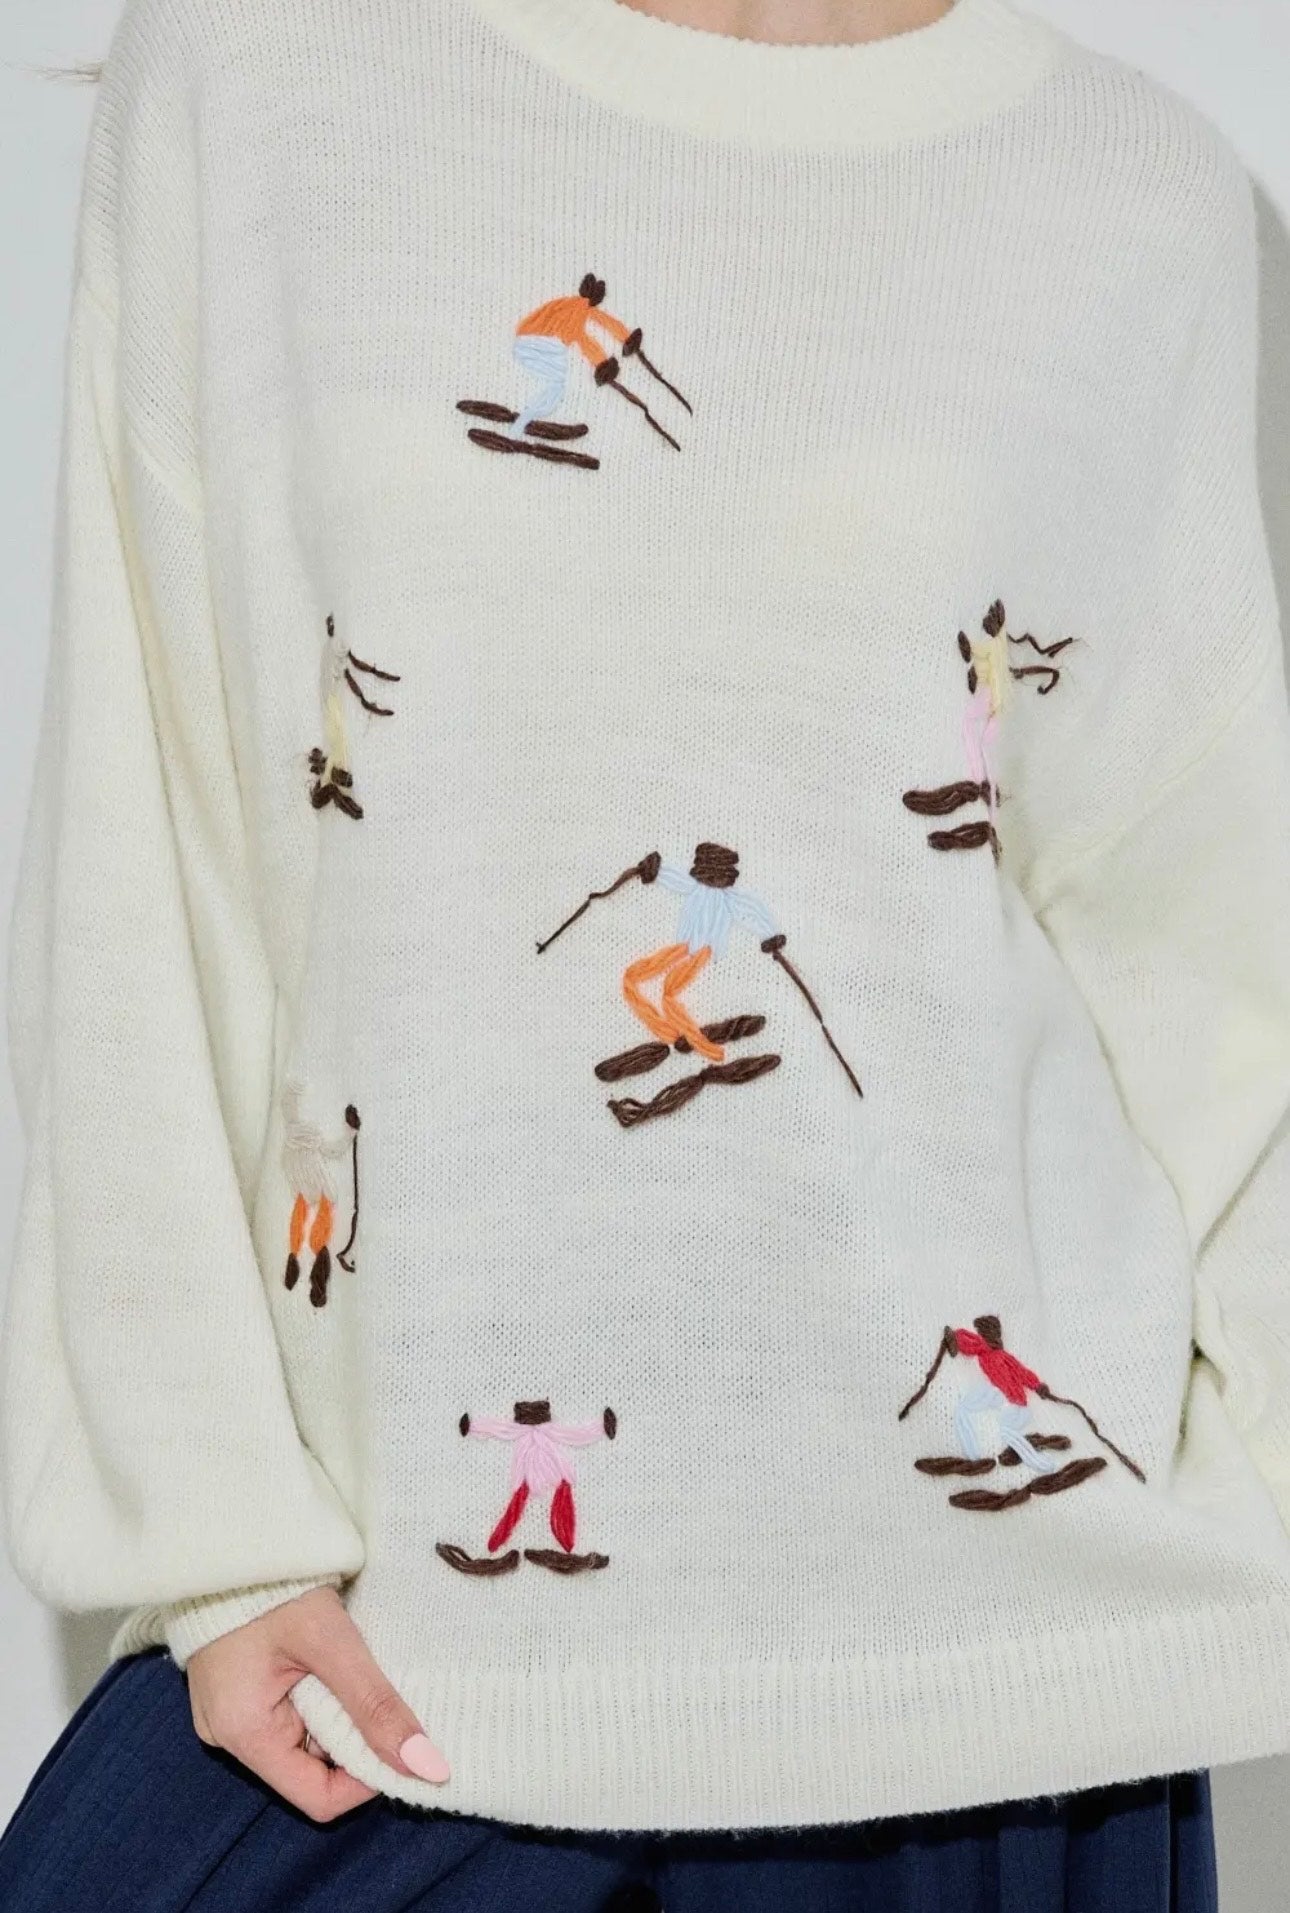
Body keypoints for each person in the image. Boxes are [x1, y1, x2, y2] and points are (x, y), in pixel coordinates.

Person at [1, 0, 1287, 1904]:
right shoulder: (269, 70)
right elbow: (148, 834)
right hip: (391, 1669)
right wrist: (209, 1536)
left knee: (685, 998)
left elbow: (1209, 945)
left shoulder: (1127, 189)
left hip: (994, 1690)